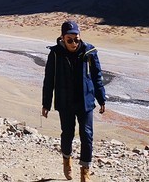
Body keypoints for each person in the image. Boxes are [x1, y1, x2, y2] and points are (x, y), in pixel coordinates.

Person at [42, 20, 106, 182]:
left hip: (86, 101)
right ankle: (66, 160)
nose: (73, 43)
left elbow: (97, 77)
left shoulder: (89, 52)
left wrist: (101, 98)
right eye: (69, 39)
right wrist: (46, 104)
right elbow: (49, 80)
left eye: (76, 39)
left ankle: (85, 170)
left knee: (87, 135)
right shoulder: (56, 54)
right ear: (62, 38)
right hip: (65, 102)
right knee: (67, 134)